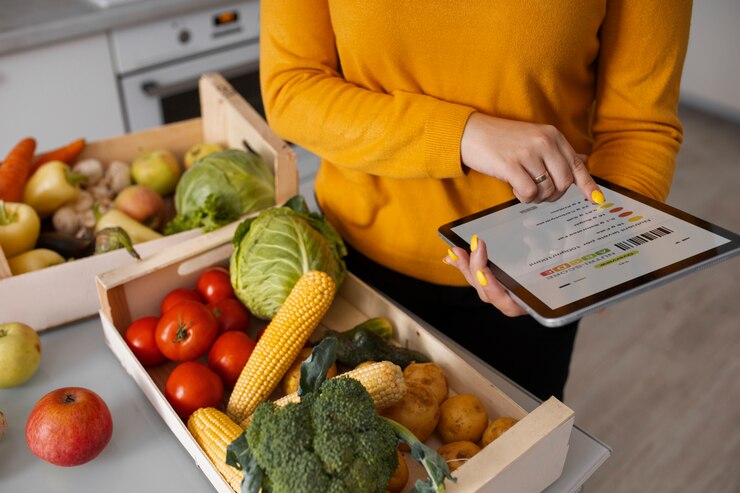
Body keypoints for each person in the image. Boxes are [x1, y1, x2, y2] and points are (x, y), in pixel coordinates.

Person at [258, 1, 692, 401]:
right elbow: (291, 88)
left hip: (530, 280)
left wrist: (592, 252)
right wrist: (463, 135)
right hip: (352, 267)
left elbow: (639, 128)